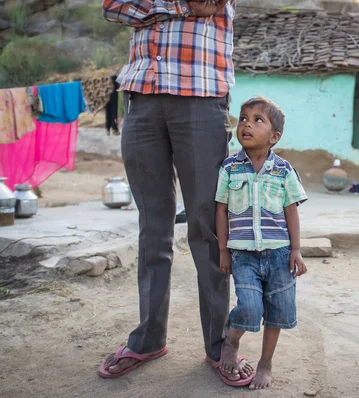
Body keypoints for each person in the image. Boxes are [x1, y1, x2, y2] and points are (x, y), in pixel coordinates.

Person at [98, 0, 254, 383]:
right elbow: (114, 7)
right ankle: (149, 338)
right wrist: (182, 7)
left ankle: (220, 345)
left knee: (207, 226)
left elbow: (210, 4)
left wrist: (155, 8)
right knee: (153, 226)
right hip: (141, 101)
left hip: (201, 100)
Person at [215, 97, 309, 389]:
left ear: (274, 136)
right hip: (243, 256)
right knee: (250, 308)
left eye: (258, 120)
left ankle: (265, 363)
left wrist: (296, 249)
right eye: (243, 118)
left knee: (277, 312)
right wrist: (223, 250)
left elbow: (291, 209)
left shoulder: (283, 170)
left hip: (280, 255)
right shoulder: (229, 167)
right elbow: (221, 208)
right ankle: (230, 341)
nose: (246, 124)